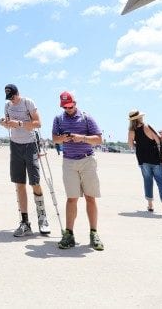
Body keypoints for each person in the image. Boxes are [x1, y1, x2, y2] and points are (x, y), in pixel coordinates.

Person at [51, 92, 104, 250]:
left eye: (70, 106)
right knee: (71, 198)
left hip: (87, 160)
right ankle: (69, 234)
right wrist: (64, 139)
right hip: (69, 161)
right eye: (64, 106)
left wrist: (82, 138)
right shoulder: (58, 119)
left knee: (90, 198)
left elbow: (99, 139)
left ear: (75, 102)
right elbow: (54, 138)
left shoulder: (87, 117)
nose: (67, 109)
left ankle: (94, 233)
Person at [0, 84, 49, 236]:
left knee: (35, 182)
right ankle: (25, 222)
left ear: (17, 93)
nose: (11, 100)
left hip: (30, 144)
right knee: (19, 184)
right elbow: (8, 125)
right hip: (15, 145)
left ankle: (42, 218)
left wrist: (19, 123)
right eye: (9, 98)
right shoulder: (7, 105)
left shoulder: (28, 102)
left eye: (13, 97)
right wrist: (3, 123)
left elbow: (38, 123)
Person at [127, 110, 162, 217]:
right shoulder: (147, 126)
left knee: (147, 181)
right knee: (161, 183)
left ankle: (150, 205)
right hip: (155, 159)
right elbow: (158, 141)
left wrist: (139, 145)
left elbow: (130, 144)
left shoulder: (131, 131)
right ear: (139, 118)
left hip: (142, 159)